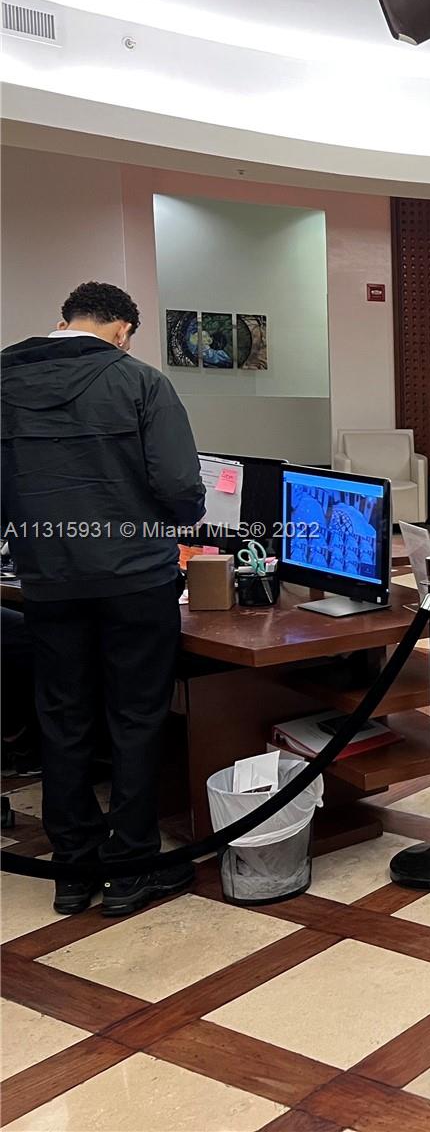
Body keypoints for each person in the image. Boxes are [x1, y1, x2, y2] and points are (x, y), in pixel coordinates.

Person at [0, 281, 205, 917]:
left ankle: (73, 869)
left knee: (62, 718)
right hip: (135, 579)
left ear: (66, 319)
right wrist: (180, 518)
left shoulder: (4, 382)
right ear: (120, 328)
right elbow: (179, 485)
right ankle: (132, 867)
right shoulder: (140, 382)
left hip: (47, 580)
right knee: (136, 718)